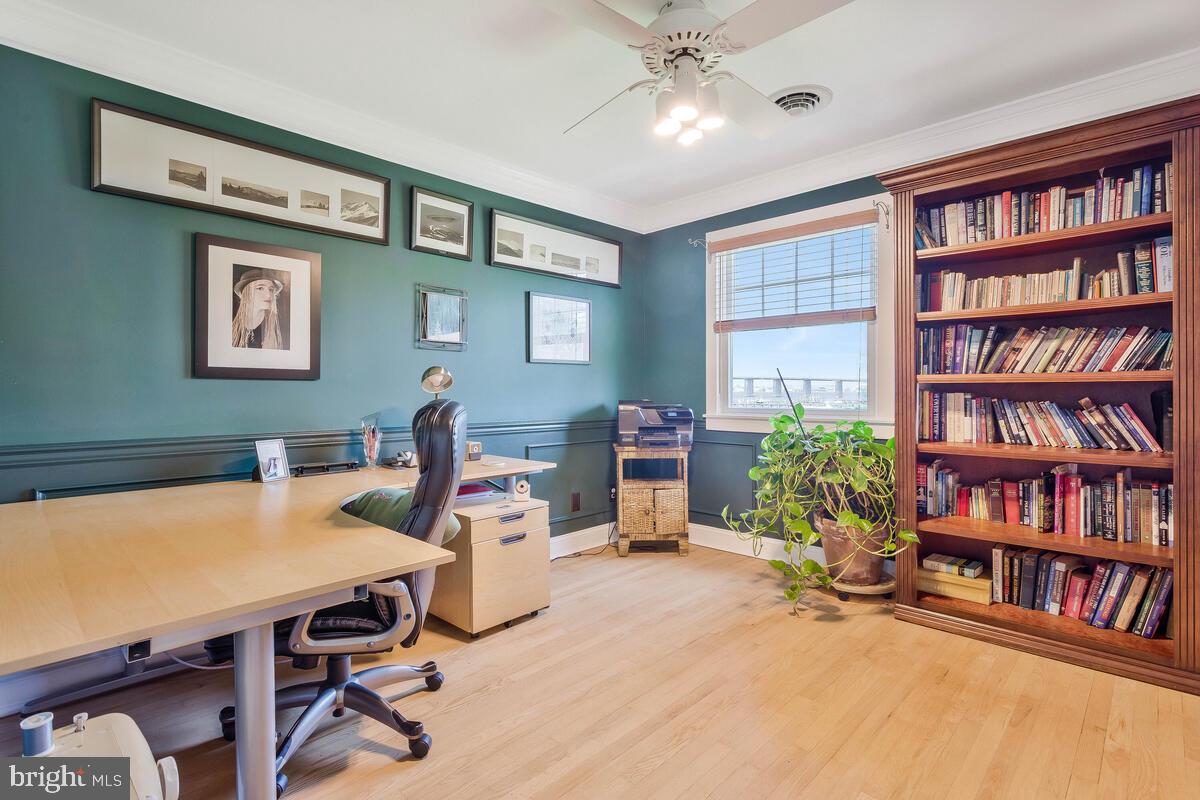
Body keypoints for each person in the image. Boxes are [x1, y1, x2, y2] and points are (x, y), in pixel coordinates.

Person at [231, 268, 284, 349]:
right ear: (246, 293)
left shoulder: (279, 326)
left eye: (271, 289)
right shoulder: (230, 324)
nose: (268, 295)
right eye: (260, 288)